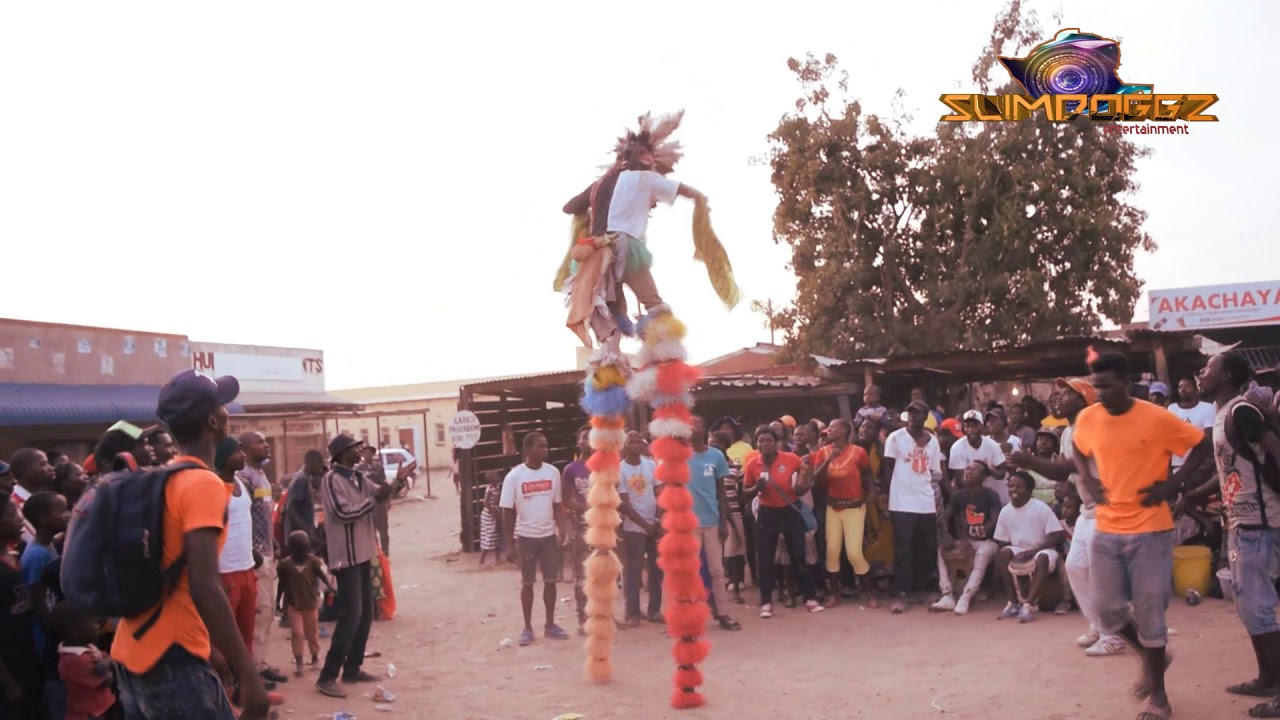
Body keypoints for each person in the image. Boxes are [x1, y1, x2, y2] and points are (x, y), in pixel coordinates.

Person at [111, 369, 269, 720]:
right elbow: (204, 585)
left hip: (134, 651)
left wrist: (211, 649)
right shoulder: (200, 483)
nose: (228, 412)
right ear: (213, 420)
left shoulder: (162, 477)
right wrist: (249, 673)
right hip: (172, 661)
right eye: (222, 406)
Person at [1072, 351, 1211, 720]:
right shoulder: (1087, 417)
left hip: (1151, 529)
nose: (1100, 393)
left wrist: (1175, 485)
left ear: (1128, 382)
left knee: (1149, 610)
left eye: (1107, 386)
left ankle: (1159, 698)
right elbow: (1076, 446)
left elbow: (1201, 443)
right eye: (1095, 386)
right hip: (1106, 528)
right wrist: (1087, 479)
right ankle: (1155, 658)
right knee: (1106, 611)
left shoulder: (1156, 417)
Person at [559, 111, 711, 350]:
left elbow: (569, 207)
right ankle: (666, 362)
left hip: (594, 257)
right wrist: (701, 199)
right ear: (644, 158)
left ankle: (609, 370)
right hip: (624, 249)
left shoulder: (599, 185)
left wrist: (592, 214)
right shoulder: (645, 178)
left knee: (611, 317)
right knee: (655, 305)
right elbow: (683, 189)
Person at [1008, 376, 1124, 656]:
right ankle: (1099, 625)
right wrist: (1068, 487)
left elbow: (1067, 466)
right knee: (1075, 567)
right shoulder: (1067, 432)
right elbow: (1072, 473)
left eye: (1066, 394)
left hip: (1106, 509)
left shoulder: (1093, 425)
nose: (1057, 398)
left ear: (1084, 400)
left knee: (1099, 573)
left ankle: (1115, 633)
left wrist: (1031, 462)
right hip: (1088, 510)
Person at [1196, 351, 1280, 716]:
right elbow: (1231, 467)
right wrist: (1191, 498)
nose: (1200, 374)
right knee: (1250, 607)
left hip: (1261, 524)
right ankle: (1268, 679)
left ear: (1227, 375)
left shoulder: (1241, 411)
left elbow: (1276, 452)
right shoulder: (1224, 415)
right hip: (1244, 522)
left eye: (1207, 368)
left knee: (1257, 608)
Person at [316, 433, 399, 698]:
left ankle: (352, 668)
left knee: (364, 615)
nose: (361, 450)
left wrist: (396, 483)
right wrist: (376, 499)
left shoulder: (357, 476)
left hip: (363, 554)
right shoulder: (332, 480)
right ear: (342, 453)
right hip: (346, 558)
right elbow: (344, 513)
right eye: (355, 448)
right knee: (350, 616)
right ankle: (327, 676)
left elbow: (380, 494)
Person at [744, 426, 823, 617]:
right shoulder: (752, 464)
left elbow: (807, 471)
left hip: (790, 511)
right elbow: (745, 491)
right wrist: (757, 487)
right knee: (765, 559)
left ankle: (810, 598)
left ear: (776, 442)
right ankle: (766, 602)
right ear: (756, 443)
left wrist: (803, 485)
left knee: (798, 556)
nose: (765, 444)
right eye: (761, 441)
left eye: (769, 440)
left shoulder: (790, 458)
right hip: (767, 513)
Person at [500, 432, 570, 646]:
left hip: (548, 536)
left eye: (546, 446)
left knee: (551, 582)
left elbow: (558, 505)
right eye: (541, 446)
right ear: (528, 450)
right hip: (526, 537)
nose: (545, 450)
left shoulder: (553, 473)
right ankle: (528, 628)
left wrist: (562, 529)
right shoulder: (514, 477)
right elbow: (507, 511)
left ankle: (550, 625)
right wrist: (510, 544)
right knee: (528, 583)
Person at [882, 400, 945, 614]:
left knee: (926, 548)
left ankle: (920, 588)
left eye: (917, 413)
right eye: (910, 412)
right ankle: (901, 593)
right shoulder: (896, 438)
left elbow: (935, 472)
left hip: (926, 501)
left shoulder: (933, 441)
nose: (912, 416)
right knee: (903, 550)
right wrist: (886, 498)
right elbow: (888, 469)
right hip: (901, 502)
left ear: (925, 416)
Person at [234, 432, 285, 685]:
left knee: (266, 613)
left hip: (267, 551)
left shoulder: (261, 474)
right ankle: (252, 670)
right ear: (243, 448)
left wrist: (273, 541)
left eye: (267, 441)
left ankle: (260, 663)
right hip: (253, 556)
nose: (266, 445)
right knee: (258, 611)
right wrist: (254, 551)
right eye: (260, 442)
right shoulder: (242, 477)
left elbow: (263, 512)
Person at [809, 419, 874, 608]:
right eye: (829, 427)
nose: (829, 430)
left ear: (845, 431)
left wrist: (870, 494)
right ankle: (834, 594)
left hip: (854, 507)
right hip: (833, 508)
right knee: (832, 551)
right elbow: (817, 482)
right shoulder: (823, 452)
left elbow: (868, 474)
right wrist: (829, 460)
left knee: (854, 552)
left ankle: (868, 592)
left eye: (834, 427)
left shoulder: (858, 452)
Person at [685, 416, 741, 630]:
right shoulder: (680, 457)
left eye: (696, 424)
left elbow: (721, 492)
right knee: (691, 572)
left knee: (717, 571)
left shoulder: (716, 456)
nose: (692, 428)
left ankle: (723, 613)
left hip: (712, 522)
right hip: (689, 524)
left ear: (705, 428)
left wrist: (723, 522)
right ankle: (692, 617)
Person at [21, 491, 69, 718]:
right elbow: (38, 601)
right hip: (47, 639)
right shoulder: (36, 555)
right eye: (62, 511)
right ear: (43, 518)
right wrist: (56, 633)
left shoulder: (49, 546)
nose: (67, 514)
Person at [993, 471, 1065, 623]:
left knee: (1043, 557)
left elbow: (1057, 534)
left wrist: (1034, 550)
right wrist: (1016, 554)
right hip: (1019, 549)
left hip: (1042, 549)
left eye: (1019, 487)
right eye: (1011, 486)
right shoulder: (1005, 511)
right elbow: (1002, 540)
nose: (1014, 490)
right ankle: (1013, 602)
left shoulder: (1041, 507)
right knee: (1003, 553)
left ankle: (1029, 604)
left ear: (1029, 490)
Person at [933, 461, 1002, 615]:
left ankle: (966, 595)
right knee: (941, 550)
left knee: (983, 553)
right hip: (965, 540)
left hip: (987, 542)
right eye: (967, 468)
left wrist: (984, 529)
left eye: (973, 469)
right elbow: (944, 517)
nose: (967, 471)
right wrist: (946, 535)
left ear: (983, 477)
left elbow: (996, 518)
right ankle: (947, 594)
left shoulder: (991, 495)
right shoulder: (958, 495)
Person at [215, 437, 259, 661]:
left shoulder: (242, 483)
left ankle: (248, 684)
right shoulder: (214, 487)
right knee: (226, 637)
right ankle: (228, 690)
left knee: (246, 632)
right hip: (226, 570)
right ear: (223, 457)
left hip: (247, 568)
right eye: (236, 452)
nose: (242, 455)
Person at [1, 493, 43, 719]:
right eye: (12, 515)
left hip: (27, 666)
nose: (20, 519)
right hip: (10, 677)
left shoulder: (13, 556)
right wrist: (9, 684)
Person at [618, 431, 662, 625]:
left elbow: (660, 492)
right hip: (633, 527)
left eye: (639, 441)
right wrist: (645, 524)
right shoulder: (619, 469)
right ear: (625, 445)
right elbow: (624, 503)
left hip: (654, 524)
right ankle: (632, 612)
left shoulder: (651, 465)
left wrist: (657, 520)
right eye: (631, 441)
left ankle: (654, 610)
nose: (636, 444)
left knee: (656, 568)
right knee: (633, 570)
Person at [277, 531, 332, 679]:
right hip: (293, 604)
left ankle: (314, 657)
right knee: (297, 633)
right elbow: (281, 584)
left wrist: (329, 586)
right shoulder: (286, 565)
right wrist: (278, 600)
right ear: (292, 549)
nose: (303, 552)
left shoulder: (313, 562)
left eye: (305, 548)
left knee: (312, 633)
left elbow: (321, 574)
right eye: (300, 548)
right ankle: (299, 662)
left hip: (310, 603)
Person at [50, 600, 117, 720]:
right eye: (92, 622)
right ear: (76, 632)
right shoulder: (75, 660)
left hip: (102, 708)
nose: (97, 626)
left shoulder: (86, 646)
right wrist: (114, 666)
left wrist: (110, 661)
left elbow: (106, 657)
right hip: (90, 715)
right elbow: (106, 680)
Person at [558, 427, 591, 634]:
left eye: (591, 436)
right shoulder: (571, 469)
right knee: (583, 575)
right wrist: (587, 507)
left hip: (604, 527)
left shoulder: (605, 466)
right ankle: (583, 619)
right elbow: (566, 500)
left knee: (605, 574)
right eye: (584, 437)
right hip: (582, 528)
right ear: (578, 442)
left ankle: (606, 617)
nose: (588, 440)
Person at [947, 410, 1009, 501]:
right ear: (964, 428)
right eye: (967, 426)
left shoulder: (992, 445)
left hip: (990, 492)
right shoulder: (957, 447)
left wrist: (988, 470)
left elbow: (1002, 473)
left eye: (975, 426)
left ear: (982, 427)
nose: (971, 430)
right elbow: (959, 481)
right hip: (966, 495)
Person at [8, 448, 56, 544]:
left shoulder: (40, 498)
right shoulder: (15, 503)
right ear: (25, 470)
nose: (51, 468)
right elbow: (33, 542)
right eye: (43, 464)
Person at [1168, 376, 1216, 472]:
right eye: (1180, 387)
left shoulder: (1207, 407)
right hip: (1178, 465)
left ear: (1196, 389)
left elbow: (1207, 437)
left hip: (1201, 466)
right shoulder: (1172, 409)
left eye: (1187, 386)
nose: (1183, 389)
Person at [355, 445, 394, 558]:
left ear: (372, 454)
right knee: (370, 529)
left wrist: (387, 500)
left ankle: (385, 552)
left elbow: (383, 483)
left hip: (379, 501)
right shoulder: (359, 469)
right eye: (365, 453)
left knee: (383, 528)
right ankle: (375, 552)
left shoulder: (379, 467)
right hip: (367, 501)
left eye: (369, 453)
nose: (366, 455)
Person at [285, 450, 326, 550]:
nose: (321, 468)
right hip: (299, 539)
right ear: (312, 462)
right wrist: (308, 534)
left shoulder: (305, 479)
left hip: (304, 536)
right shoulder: (301, 479)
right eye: (320, 463)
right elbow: (291, 510)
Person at [478, 471, 503, 567]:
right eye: (496, 475)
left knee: (496, 536)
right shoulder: (489, 489)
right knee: (489, 536)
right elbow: (485, 503)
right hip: (489, 515)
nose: (498, 477)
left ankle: (497, 558)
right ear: (492, 479)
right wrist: (493, 512)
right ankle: (482, 560)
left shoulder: (496, 487)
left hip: (494, 513)